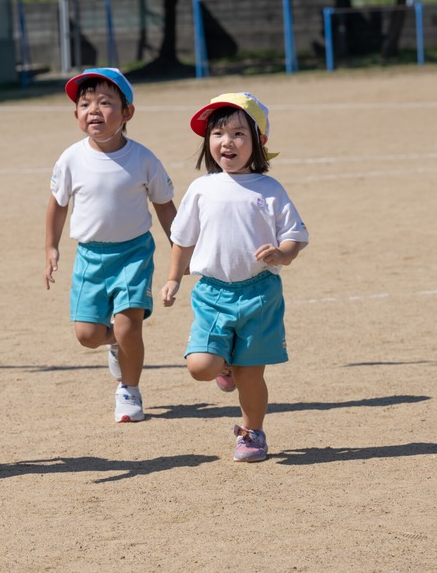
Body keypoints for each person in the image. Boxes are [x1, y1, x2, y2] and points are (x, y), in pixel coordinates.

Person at [161, 92, 309, 462]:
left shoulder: (270, 189)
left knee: (250, 376)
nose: (227, 142)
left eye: (239, 133)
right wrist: (174, 278)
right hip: (212, 293)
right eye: (218, 133)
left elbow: (295, 235)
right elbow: (183, 239)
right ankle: (221, 364)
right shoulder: (201, 188)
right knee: (201, 366)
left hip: (260, 295)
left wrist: (282, 254)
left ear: (259, 142)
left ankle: (251, 433)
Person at [44, 68, 177, 423]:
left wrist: (181, 248)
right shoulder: (71, 158)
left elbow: (164, 204)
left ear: (127, 112)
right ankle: (116, 345)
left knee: (129, 325)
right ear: (76, 115)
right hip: (90, 256)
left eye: (105, 102)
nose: (94, 110)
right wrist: (52, 248)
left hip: (134, 253)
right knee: (87, 335)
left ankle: (129, 390)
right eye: (85, 104)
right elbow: (58, 204)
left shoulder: (143, 159)